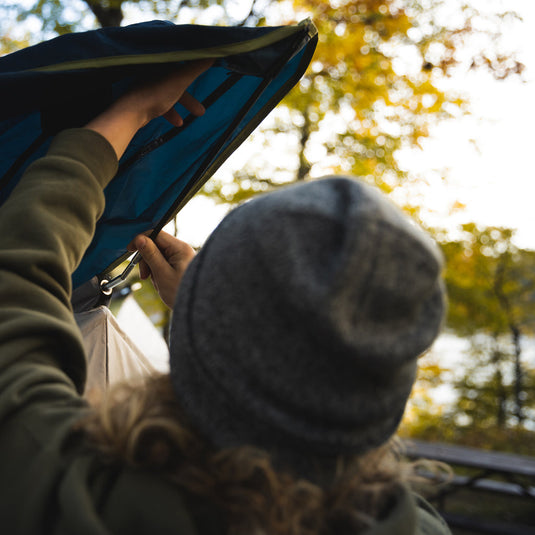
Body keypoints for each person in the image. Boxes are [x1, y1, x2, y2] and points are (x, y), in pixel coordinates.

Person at [0, 57, 451, 535]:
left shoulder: (79, 493)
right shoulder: (418, 526)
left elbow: (15, 283)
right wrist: (206, 305)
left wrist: (129, 113)